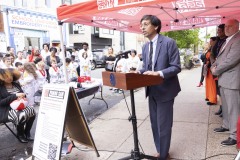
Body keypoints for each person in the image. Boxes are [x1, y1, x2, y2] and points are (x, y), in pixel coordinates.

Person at [138, 15, 181, 160]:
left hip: (166, 90)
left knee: (164, 124)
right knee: (155, 124)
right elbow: (146, 67)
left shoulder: (169, 43)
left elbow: (176, 67)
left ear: (156, 26)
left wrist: (159, 73)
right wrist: (138, 72)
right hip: (152, 90)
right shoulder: (145, 46)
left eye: (145, 24)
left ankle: (163, 155)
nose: (142, 27)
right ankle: (160, 150)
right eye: (141, 25)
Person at [211, 19, 240, 146]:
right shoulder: (228, 39)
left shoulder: (238, 39)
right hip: (224, 78)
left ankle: (235, 135)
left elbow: (231, 60)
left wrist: (216, 70)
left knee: (234, 108)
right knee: (227, 107)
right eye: (226, 26)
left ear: (237, 26)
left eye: (229, 26)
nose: (226, 28)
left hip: (232, 79)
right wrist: (214, 66)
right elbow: (220, 58)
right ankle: (227, 125)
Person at [0, 68, 36, 143]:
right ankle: (20, 134)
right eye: (7, 76)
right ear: (2, 78)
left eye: (11, 76)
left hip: (20, 106)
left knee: (32, 112)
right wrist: (15, 95)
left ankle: (27, 132)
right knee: (20, 115)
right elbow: (1, 102)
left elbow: (23, 95)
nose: (10, 78)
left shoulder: (16, 84)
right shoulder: (1, 88)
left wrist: (23, 96)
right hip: (7, 109)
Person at [211, 24, 228, 117]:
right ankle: (221, 108)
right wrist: (214, 63)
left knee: (223, 91)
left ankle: (224, 109)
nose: (218, 32)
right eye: (218, 30)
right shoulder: (217, 40)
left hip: (223, 69)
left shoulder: (228, 40)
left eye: (220, 31)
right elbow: (212, 53)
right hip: (216, 67)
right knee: (219, 90)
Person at [204, 37, 217, 105]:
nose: (210, 42)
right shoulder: (211, 48)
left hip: (212, 68)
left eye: (211, 41)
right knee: (208, 83)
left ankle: (213, 99)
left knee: (212, 85)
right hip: (208, 68)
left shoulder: (216, 48)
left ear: (215, 41)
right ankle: (209, 96)